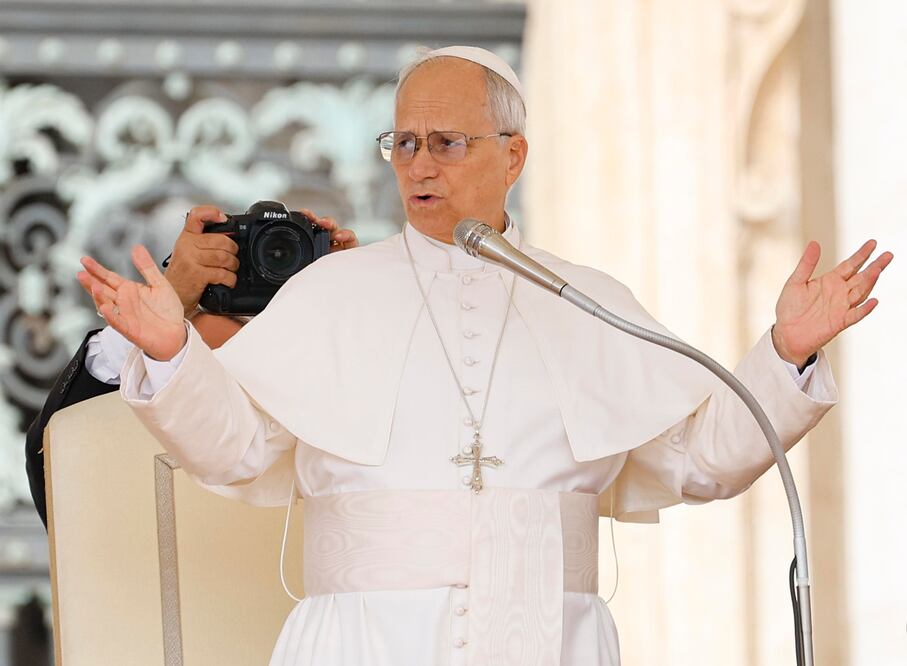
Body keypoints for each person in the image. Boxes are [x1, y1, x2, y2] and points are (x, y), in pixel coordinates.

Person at [77, 46, 892, 665]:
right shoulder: (330, 293)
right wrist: (174, 352)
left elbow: (698, 460)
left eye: (446, 142)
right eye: (403, 143)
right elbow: (236, 449)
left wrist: (784, 352)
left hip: (552, 641)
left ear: (513, 155)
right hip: (364, 643)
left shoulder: (585, 297)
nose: (419, 165)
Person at [25, 206, 358, 528]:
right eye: (181, 362)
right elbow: (56, 465)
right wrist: (167, 306)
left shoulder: (334, 402)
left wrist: (352, 313)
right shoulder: (146, 396)